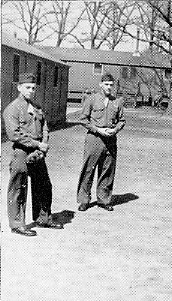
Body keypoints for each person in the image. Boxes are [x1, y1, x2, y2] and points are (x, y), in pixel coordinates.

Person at [3, 73, 63, 237]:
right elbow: (14, 135)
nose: (31, 91)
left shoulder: (36, 107)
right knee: (19, 188)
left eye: (33, 88)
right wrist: (38, 144)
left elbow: (44, 126)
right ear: (19, 87)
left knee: (44, 184)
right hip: (21, 152)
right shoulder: (12, 109)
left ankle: (43, 218)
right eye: (27, 87)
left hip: (37, 152)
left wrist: (43, 146)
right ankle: (17, 224)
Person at [77, 73, 125, 212]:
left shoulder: (117, 102)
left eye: (111, 85)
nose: (109, 87)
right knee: (88, 170)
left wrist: (115, 130)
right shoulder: (92, 99)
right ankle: (84, 200)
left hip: (110, 140)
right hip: (94, 139)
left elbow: (122, 120)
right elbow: (83, 119)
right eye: (106, 84)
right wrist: (97, 129)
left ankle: (103, 199)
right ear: (100, 84)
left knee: (107, 170)